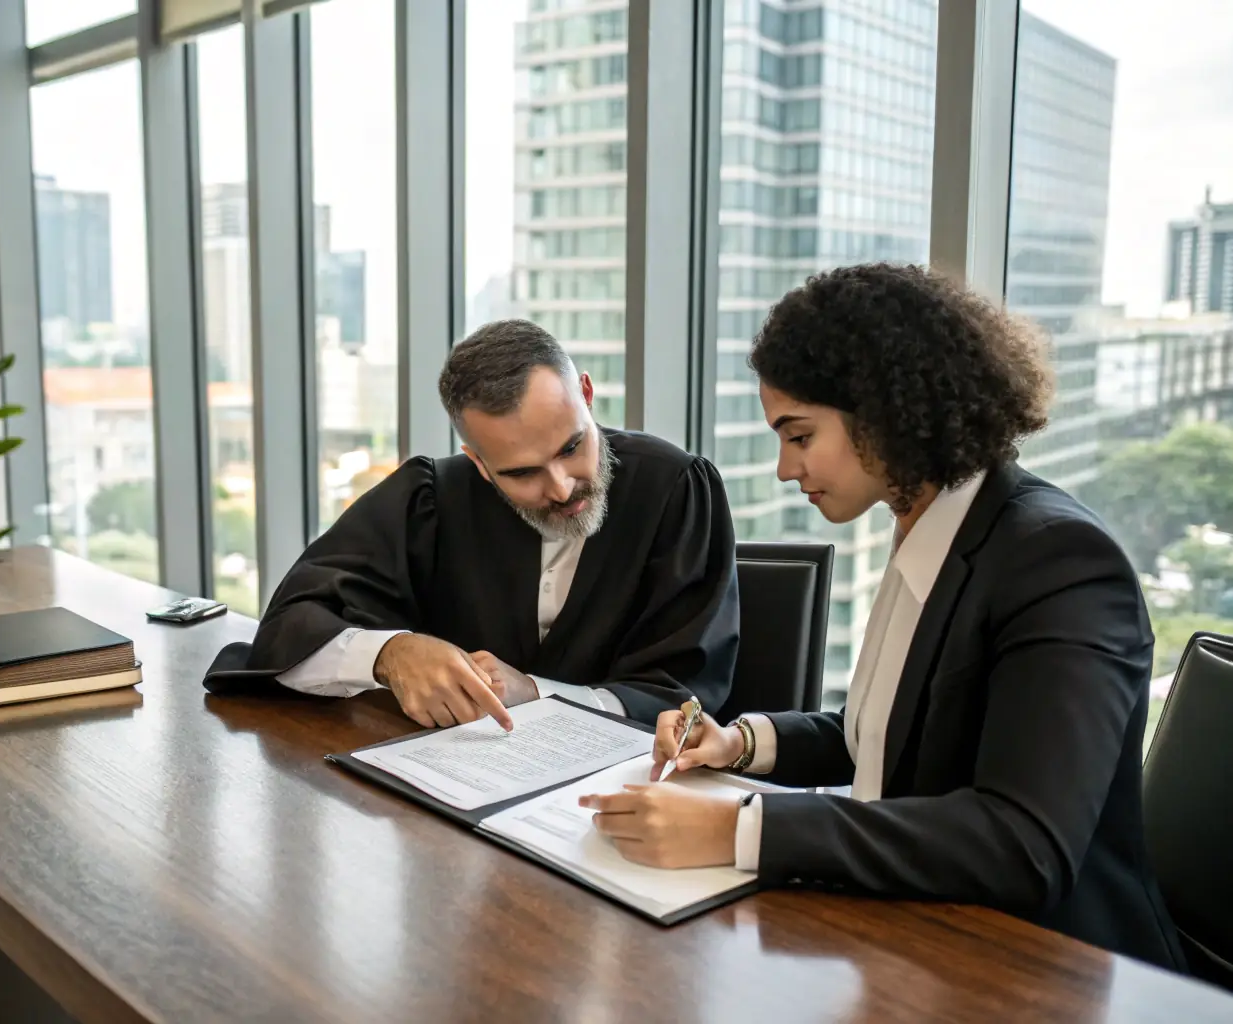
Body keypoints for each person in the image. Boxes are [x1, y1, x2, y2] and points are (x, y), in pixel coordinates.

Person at [580, 263, 1186, 972]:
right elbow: (889, 735)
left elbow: (1022, 844)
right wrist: (741, 744)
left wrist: (741, 828)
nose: (783, 468)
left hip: (1047, 967)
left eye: (799, 436)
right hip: (917, 934)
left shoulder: (1058, 561)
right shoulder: (926, 530)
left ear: (883, 413)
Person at [202, 319, 739, 729]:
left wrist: (536, 690)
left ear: (588, 395)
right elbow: (286, 629)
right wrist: (390, 654)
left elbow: (686, 696)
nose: (560, 486)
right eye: (522, 473)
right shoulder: (432, 498)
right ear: (479, 463)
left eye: (572, 446)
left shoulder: (677, 490)